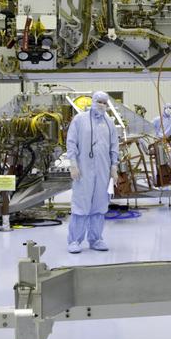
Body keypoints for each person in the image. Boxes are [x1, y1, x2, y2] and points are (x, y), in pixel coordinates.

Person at [66, 90, 119, 253]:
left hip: (103, 171)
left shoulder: (109, 122)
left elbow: (114, 145)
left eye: (104, 102)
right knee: (81, 204)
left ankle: (95, 239)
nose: (101, 105)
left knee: (99, 204)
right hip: (83, 170)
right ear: (92, 102)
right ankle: (74, 241)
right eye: (99, 101)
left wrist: (114, 166)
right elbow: (71, 142)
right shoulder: (80, 120)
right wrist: (73, 164)